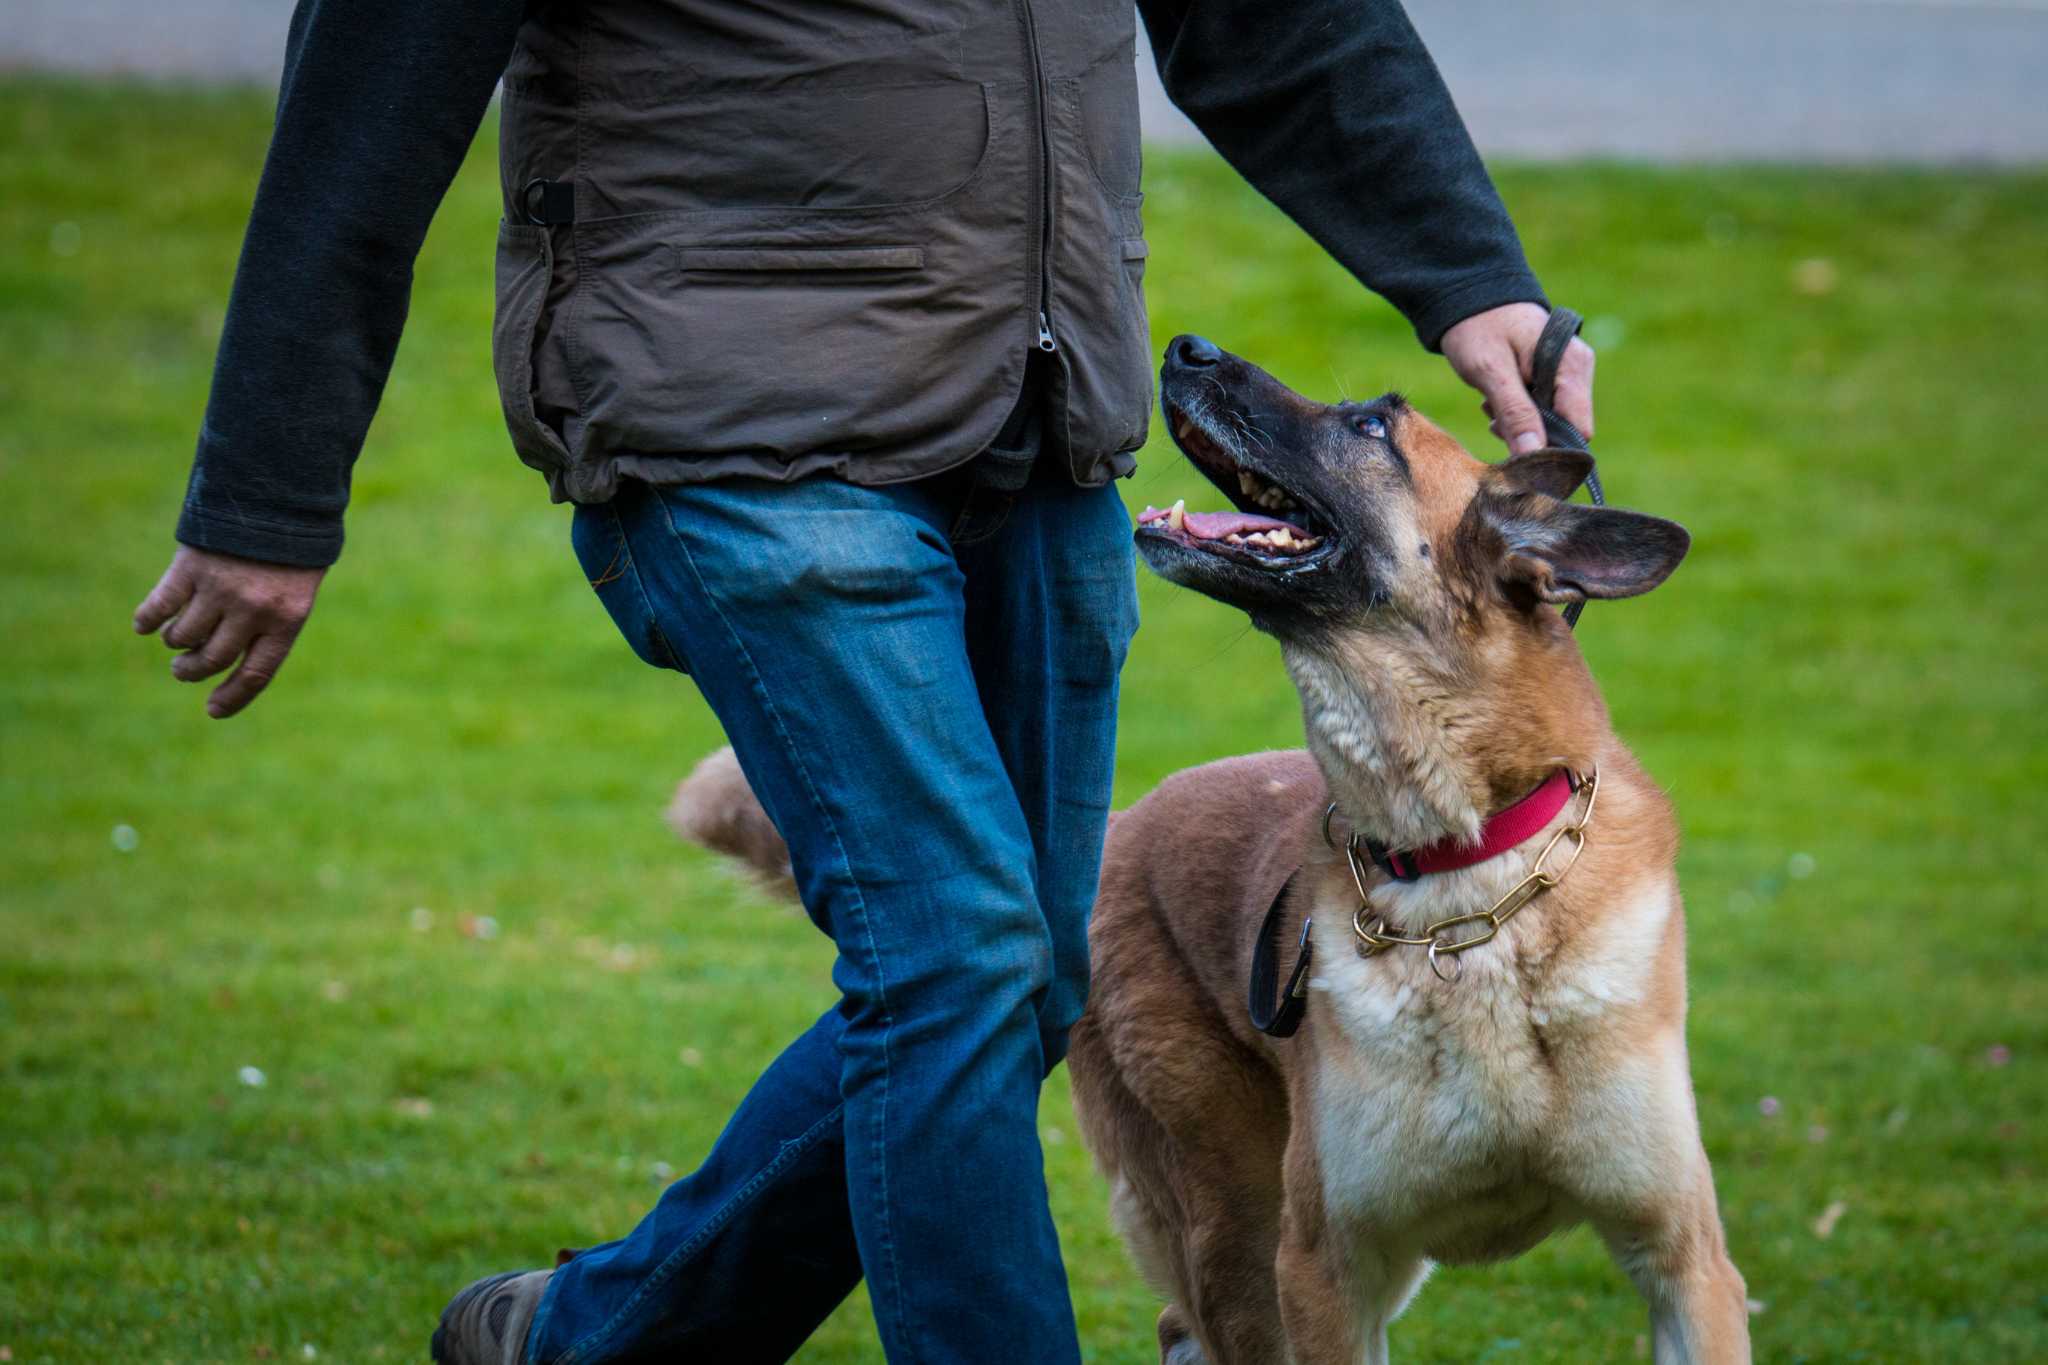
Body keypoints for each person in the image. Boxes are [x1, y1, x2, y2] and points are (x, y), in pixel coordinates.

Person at [130, 0, 1596, 1360]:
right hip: (733, 419)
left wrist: (1465, 273)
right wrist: (267, 479)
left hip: (1034, 417)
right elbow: (379, 66)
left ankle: (584, 1339)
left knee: (1017, 977)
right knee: (956, 957)